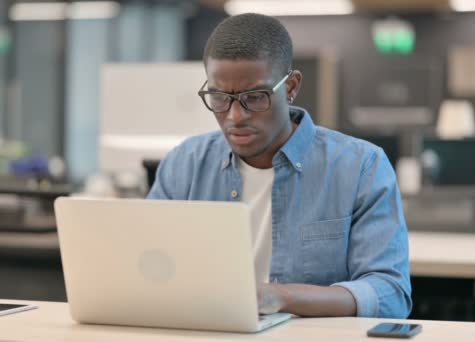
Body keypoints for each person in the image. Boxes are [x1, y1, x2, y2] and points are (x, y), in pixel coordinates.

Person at [147, 13, 411, 319]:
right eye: (219, 97)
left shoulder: (361, 167)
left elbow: (390, 294)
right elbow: (149, 269)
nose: (235, 117)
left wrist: (277, 297)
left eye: (255, 97)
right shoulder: (184, 164)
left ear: (291, 87)